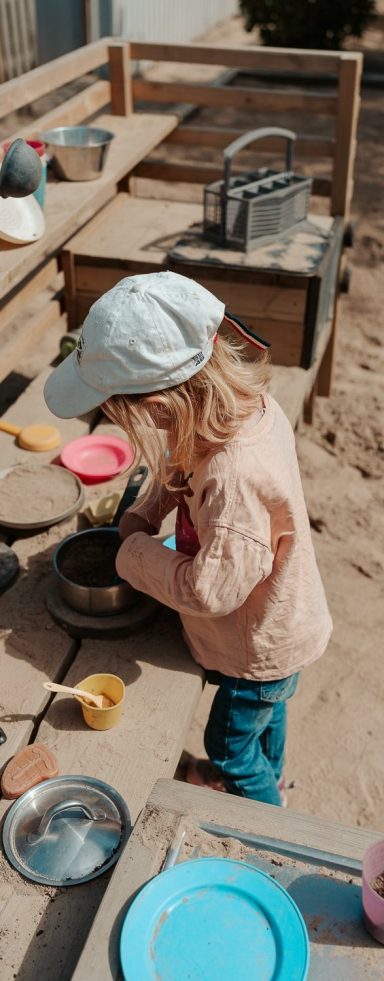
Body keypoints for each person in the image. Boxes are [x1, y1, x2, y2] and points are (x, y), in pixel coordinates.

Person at [44, 271, 332, 807]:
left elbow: (208, 592)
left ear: (155, 408)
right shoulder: (235, 412)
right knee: (268, 718)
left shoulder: (235, 476)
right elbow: (181, 463)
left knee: (229, 748)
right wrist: (143, 511)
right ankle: (275, 777)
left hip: (256, 645)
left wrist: (131, 553)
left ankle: (271, 816)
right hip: (278, 630)